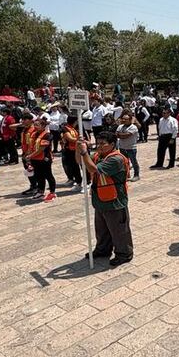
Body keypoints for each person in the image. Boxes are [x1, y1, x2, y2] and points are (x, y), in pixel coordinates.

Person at [78, 131, 134, 267]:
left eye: (103, 143)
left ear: (112, 144)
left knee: (118, 230)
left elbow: (92, 169)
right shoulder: (98, 156)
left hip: (115, 201)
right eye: (98, 143)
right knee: (101, 228)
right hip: (100, 199)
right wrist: (78, 147)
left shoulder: (116, 159)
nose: (99, 146)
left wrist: (84, 152)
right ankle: (103, 249)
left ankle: (124, 253)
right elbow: (80, 161)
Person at [26, 117, 57, 202]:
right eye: (34, 125)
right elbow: (30, 146)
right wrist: (28, 156)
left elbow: (41, 149)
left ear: (43, 126)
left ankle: (52, 192)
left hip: (44, 159)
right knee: (38, 175)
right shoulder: (34, 134)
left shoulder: (47, 135)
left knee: (48, 175)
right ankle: (40, 191)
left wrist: (30, 155)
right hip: (35, 159)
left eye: (37, 125)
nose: (35, 127)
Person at [116, 112, 141, 182]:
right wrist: (121, 135)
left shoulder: (133, 127)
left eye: (126, 119)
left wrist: (120, 135)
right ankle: (126, 175)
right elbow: (116, 134)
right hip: (122, 147)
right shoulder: (120, 126)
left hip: (131, 148)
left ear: (130, 120)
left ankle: (136, 175)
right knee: (124, 163)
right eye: (123, 119)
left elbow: (126, 135)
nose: (123, 120)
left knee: (134, 162)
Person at [60, 116, 83, 189]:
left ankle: (81, 181)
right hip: (69, 151)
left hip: (75, 150)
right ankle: (78, 181)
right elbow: (70, 139)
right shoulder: (65, 128)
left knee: (78, 166)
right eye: (76, 121)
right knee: (73, 167)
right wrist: (79, 140)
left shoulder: (73, 128)